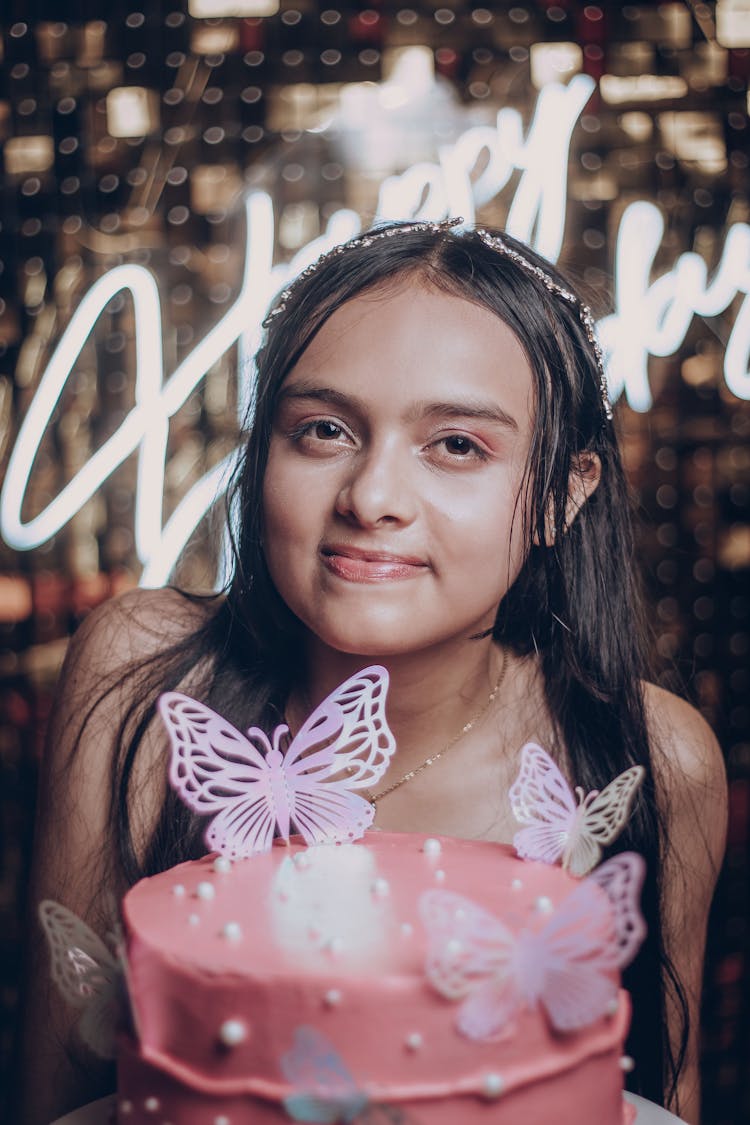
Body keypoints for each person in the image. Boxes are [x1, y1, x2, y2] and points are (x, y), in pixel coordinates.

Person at [16, 220, 726, 1125]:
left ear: (564, 492)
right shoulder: (147, 678)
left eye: (457, 445)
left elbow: (661, 1099)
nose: (372, 497)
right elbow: (52, 1097)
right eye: (323, 430)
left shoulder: (654, 758)